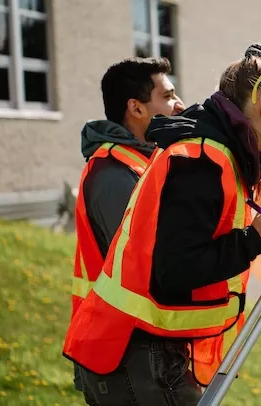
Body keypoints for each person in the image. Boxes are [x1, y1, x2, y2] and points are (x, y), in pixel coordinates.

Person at [63, 44, 261, 405]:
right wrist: (252, 241)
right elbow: (174, 269)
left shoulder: (214, 155)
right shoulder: (202, 159)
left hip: (143, 351)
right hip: (133, 353)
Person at [70, 56, 185, 391]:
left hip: (144, 354)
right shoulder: (113, 173)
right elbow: (153, 260)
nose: (179, 105)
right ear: (136, 108)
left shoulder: (146, 163)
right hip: (127, 361)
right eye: (167, 96)